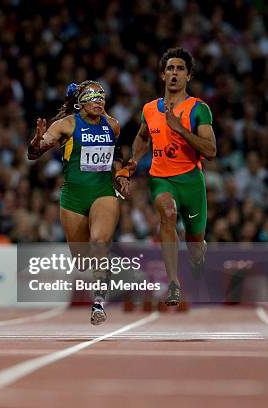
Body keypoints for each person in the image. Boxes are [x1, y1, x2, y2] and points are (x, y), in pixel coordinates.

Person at [116, 47, 216, 306]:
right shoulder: (150, 109)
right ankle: (174, 283)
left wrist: (180, 129)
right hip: (161, 178)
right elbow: (141, 136)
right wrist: (133, 162)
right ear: (163, 75)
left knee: (194, 243)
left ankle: (198, 252)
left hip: (191, 180)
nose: (174, 73)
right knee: (168, 215)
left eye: (180, 69)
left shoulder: (198, 109)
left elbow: (211, 150)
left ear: (188, 76)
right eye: (170, 68)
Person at [28, 80, 122, 325]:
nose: (99, 101)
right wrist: (37, 140)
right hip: (73, 197)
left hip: (103, 192)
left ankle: (99, 302)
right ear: (80, 102)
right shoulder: (66, 125)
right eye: (93, 97)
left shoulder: (112, 125)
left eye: (102, 97)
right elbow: (34, 153)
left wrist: (122, 175)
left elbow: (117, 154)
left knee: (99, 243)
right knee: (81, 260)